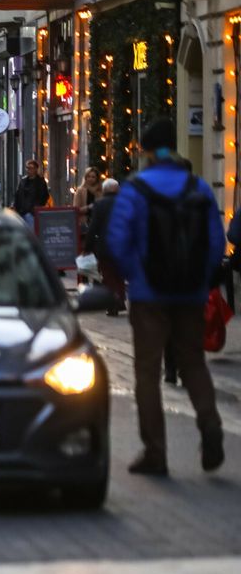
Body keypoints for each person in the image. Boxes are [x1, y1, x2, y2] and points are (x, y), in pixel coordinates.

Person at [106, 117, 224, 476]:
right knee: (193, 363)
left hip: (149, 295)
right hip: (190, 293)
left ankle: (155, 453)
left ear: (146, 152)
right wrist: (200, 279)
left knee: (147, 371)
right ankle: (211, 425)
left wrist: (135, 275)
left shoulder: (135, 189)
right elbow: (216, 242)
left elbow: (117, 241)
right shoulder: (198, 187)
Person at [85, 178, 124, 316]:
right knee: (119, 274)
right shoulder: (125, 203)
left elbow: (94, 227)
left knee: (108, 275)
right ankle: (120, 299)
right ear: (117, 189)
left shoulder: (99, 204)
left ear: (104, 190)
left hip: (105, 245)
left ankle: (113, 303)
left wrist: (88, 246)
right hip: (123, 244)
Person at [13, 159, 50, 227]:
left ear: (36, 169)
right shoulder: (23, 181)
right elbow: (18, 195)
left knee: (31, 230)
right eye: (27, 168)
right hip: (21, 213)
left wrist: (35, 208)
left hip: (32, 213)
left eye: (30, 168)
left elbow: (44, 196)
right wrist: (16, 207)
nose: (28, 170)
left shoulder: (40, 182)